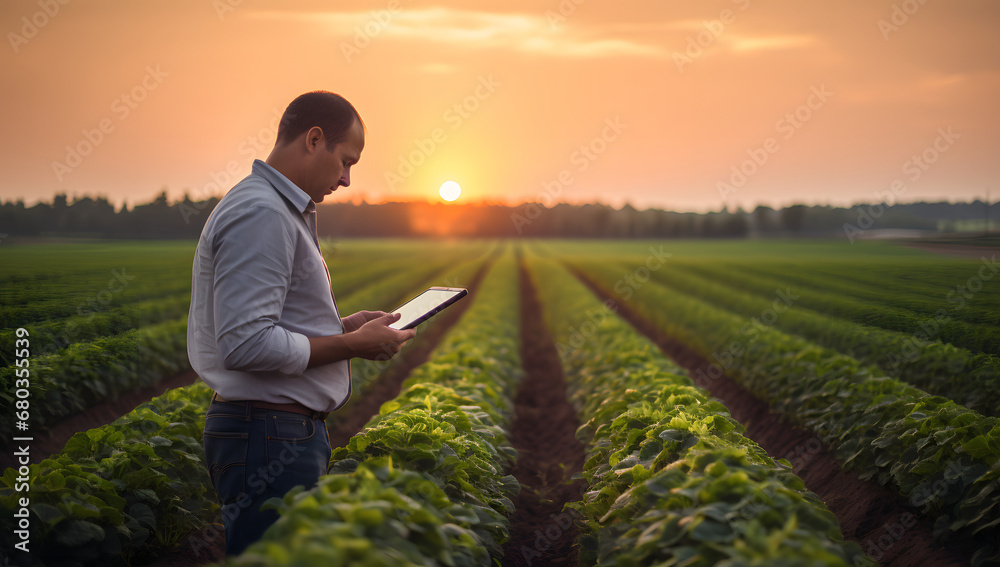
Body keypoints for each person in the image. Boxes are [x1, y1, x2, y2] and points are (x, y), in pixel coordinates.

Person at [187, 91, 416, 555]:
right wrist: (351, 345)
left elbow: (272, 324)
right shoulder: (262, 213)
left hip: (270, 431)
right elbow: (247, 343)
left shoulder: (273, 207)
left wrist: (347, 327)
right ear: (314, 140)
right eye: (346, 161)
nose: (348, 179)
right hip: (267, 434)